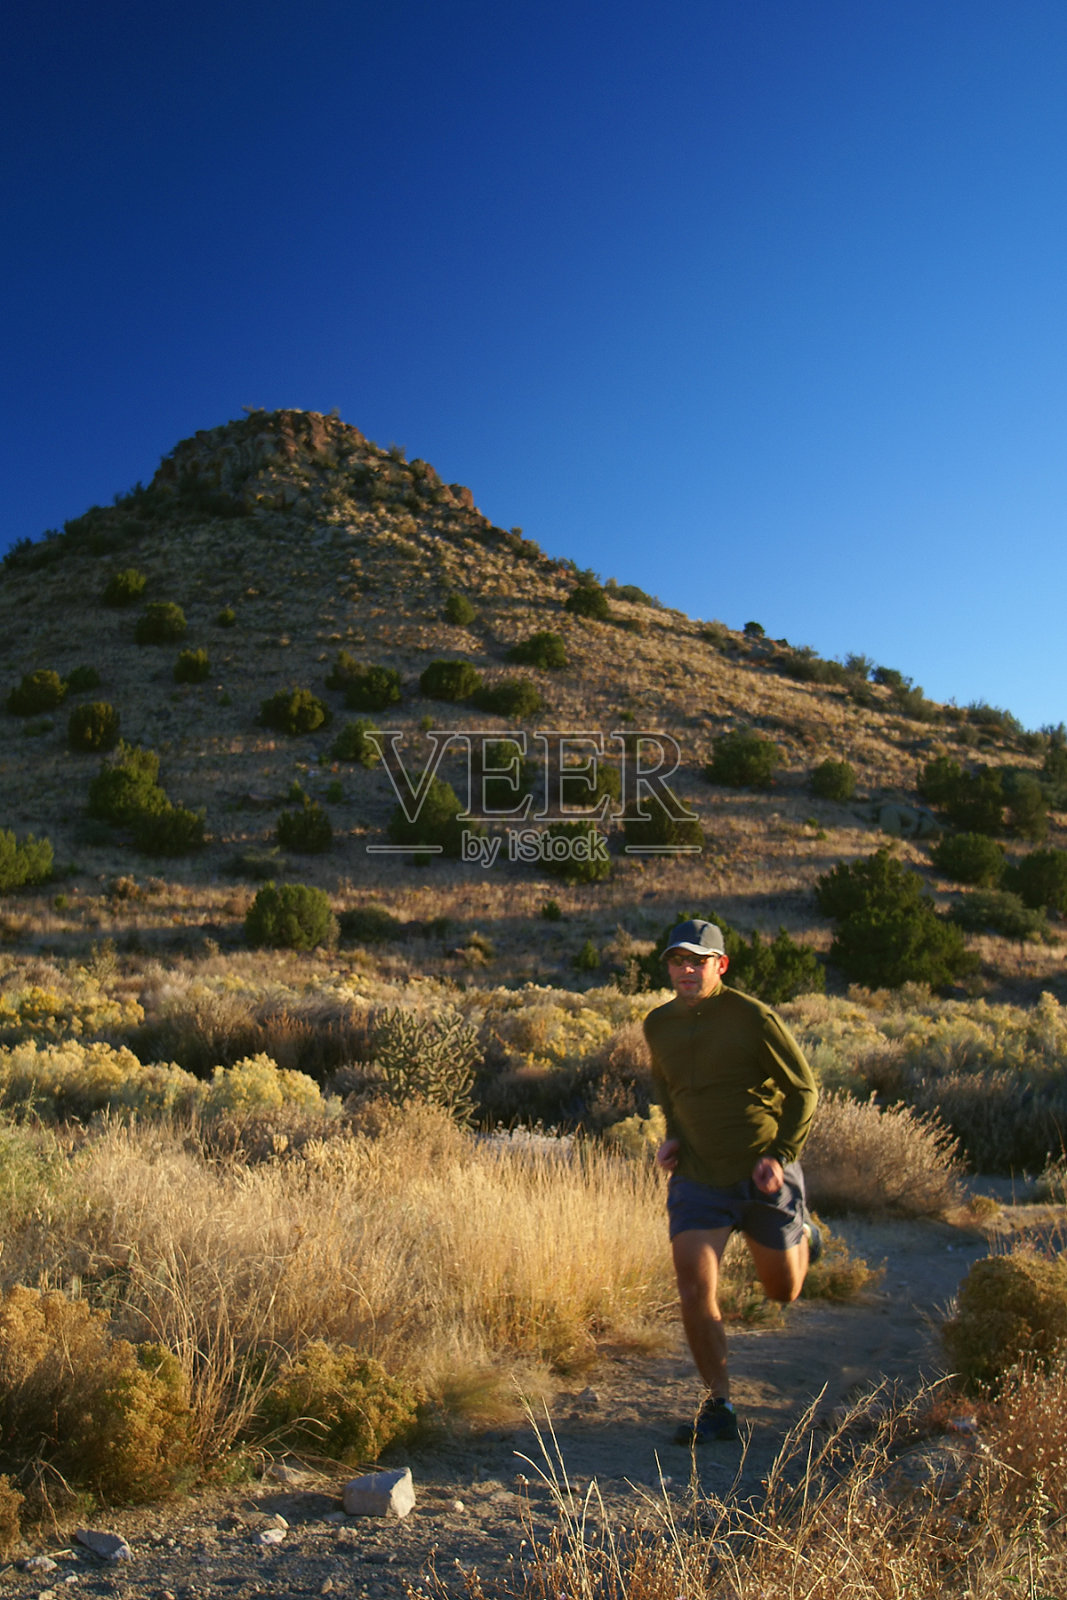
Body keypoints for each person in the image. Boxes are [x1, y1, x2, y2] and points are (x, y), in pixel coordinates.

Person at [643, 918, 820, 1444]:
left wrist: (781, 1155)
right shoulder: (658, 1025)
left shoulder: (753, 1018)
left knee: (783, 1292)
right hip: (698, 1174)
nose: (686, 970)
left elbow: (804, 1090)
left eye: (698, 961)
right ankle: (718, 1404)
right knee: (694, 1287)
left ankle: (806, 1234)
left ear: (720, 965)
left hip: (762, 1172)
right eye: (678, 960)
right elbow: (667, 1087)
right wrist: (674, 1134)